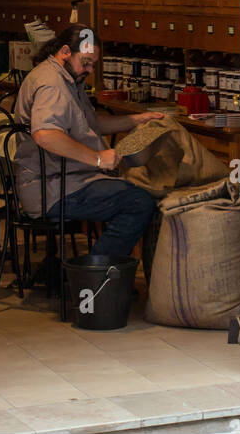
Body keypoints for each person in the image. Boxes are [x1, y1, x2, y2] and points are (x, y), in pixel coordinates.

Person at [14, 25, 162, 259]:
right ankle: (95, 277)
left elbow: (92, 125)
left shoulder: (68, 78)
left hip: (68, 180)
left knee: (135, 193)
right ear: (65, 52)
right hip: (51, 189)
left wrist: (137, 119)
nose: (90, 69)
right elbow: (45, 134)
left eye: (93, 63)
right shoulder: (52, 84)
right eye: (86, 62)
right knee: (138, 202)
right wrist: (98, 158)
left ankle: (96, 273)